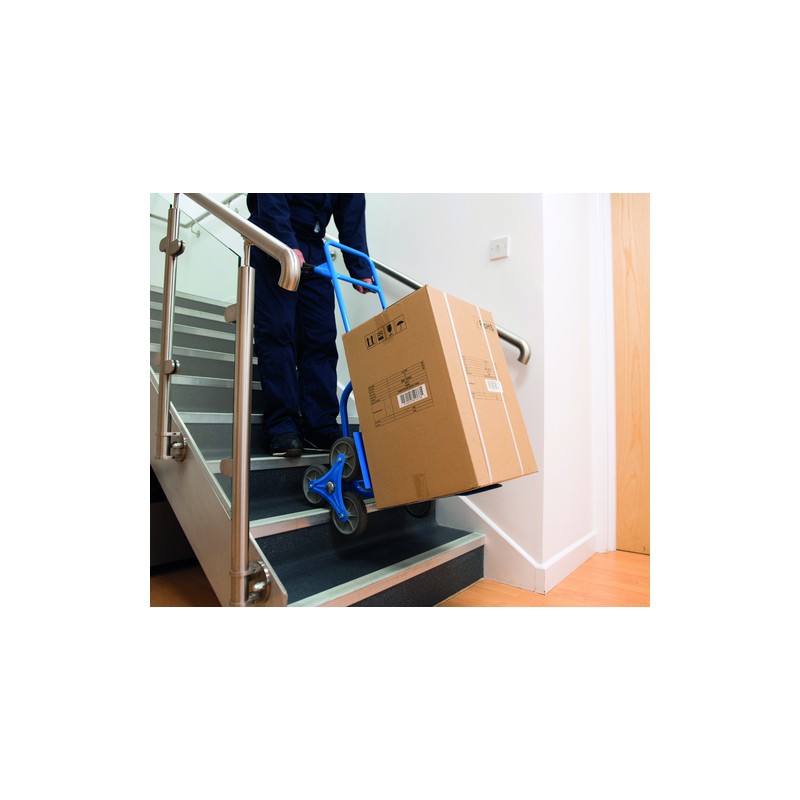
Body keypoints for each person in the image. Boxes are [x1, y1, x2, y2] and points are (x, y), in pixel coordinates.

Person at [246, 194, 374, 457]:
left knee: (321, 338)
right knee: (278, 332)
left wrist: (360, 267)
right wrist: (286, 242)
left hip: (314, 246)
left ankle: (319, 425)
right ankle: (282, 425)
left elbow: (351, 211)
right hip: (273, 236)